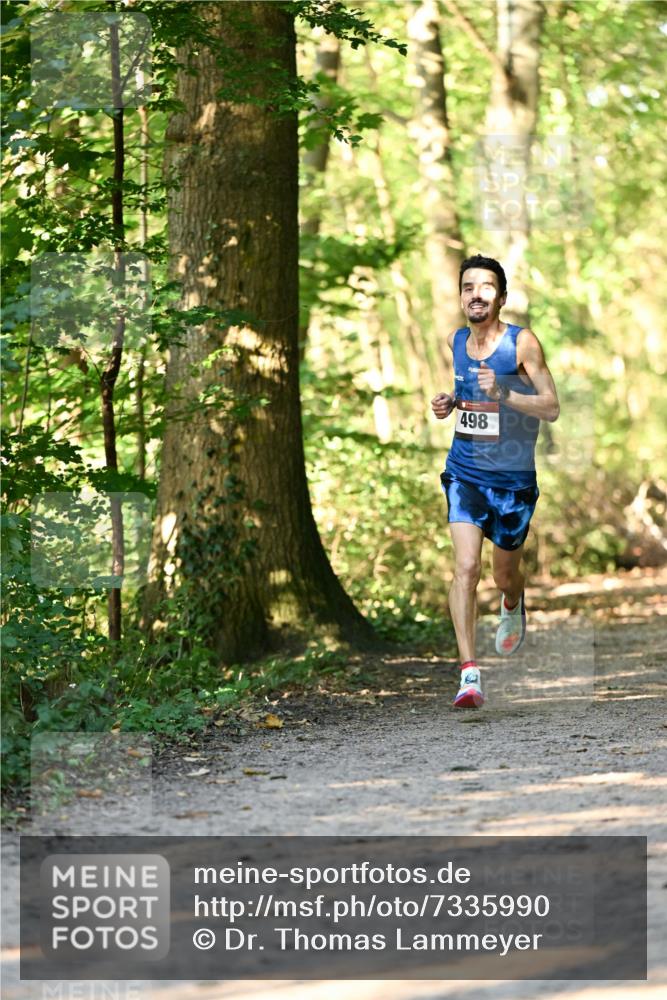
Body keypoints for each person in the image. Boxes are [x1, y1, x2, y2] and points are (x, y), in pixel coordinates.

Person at [431, 254, 560, 708]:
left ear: (501, 298)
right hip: (465, 472)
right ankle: (469, 675)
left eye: (486, 287)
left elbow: (550, 407)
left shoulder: (522, 344)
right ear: (462, 295)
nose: (476, 294)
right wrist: (452, 403)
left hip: (513, 480)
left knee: (504, 574)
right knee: (466, 568)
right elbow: (469, 397)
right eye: (468, 287)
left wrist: (505, 393)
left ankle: (513, 600)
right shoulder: (456, 341)